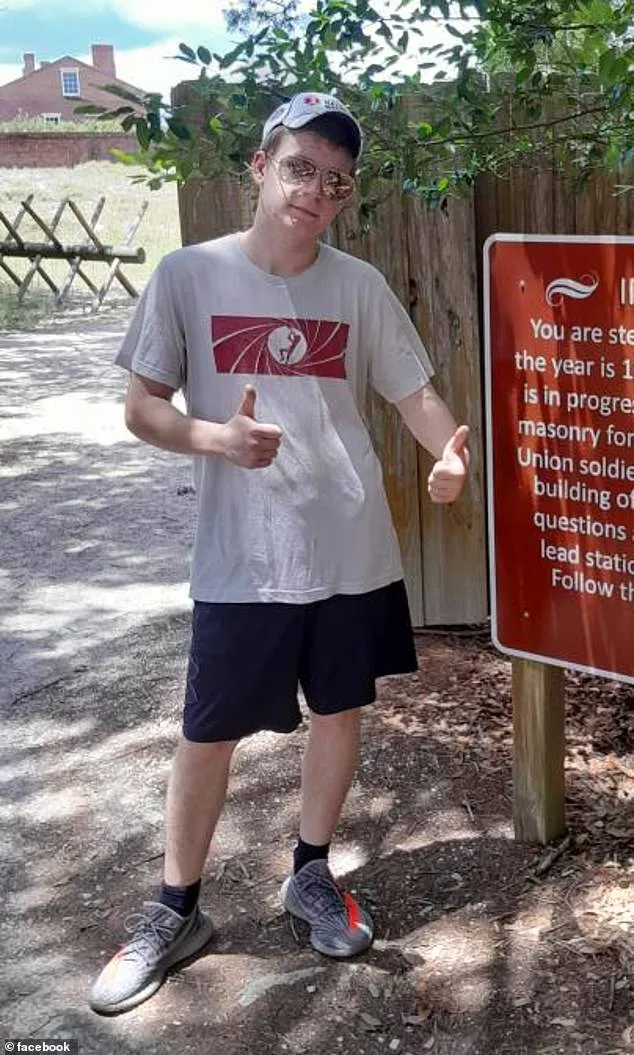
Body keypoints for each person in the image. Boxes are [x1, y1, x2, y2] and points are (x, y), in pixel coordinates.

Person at [89, 90, 469, 1016]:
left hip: (349, 547)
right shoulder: (189, 274)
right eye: (300, 168)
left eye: (336, 182)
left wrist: (453, 446)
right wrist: (214, 439)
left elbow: (413, 394)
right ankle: (175, 908)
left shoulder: (358, 285)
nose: (315, 192)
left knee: (340, 712)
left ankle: (310, 873)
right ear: (260, 168)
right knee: (207, 730)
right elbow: (142, 407)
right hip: (241, 559)